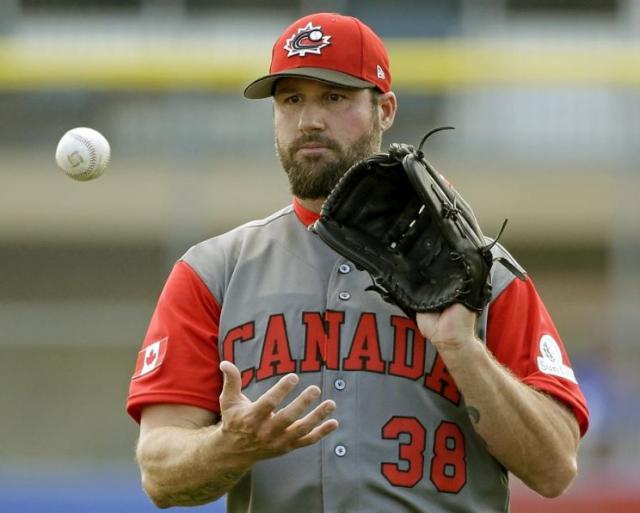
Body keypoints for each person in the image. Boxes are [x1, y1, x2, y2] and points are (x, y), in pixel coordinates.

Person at [126, 12, 589, 513]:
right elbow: (160, 473)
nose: (309, 120)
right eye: (291, 99)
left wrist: (461, 348)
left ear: (385, 109)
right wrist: (230, 445)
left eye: (334, 96)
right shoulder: (214, 272)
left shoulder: (481, 271)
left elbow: (554, 468)